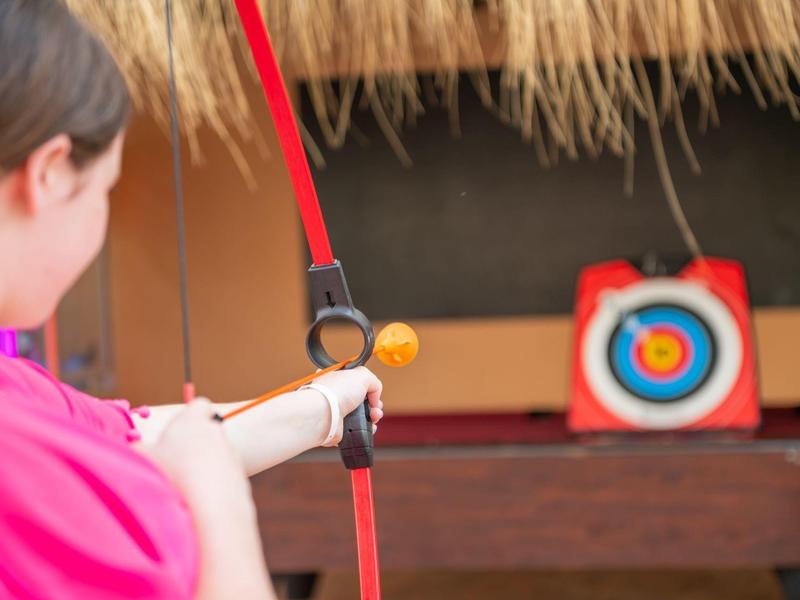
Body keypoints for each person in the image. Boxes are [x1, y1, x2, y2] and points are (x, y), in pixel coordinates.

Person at [0, 2, 384, 598]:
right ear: (49, 173)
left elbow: (139, 436)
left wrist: (327, 407)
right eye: (106, 189)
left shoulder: (16, 390)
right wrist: (217, 492)